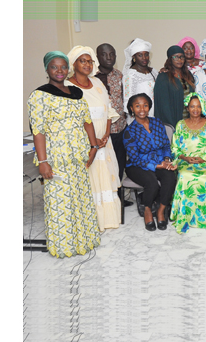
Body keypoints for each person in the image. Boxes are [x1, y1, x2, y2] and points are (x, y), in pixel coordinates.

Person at [28, 51, 101, 258]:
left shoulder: (76, 93)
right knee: (61, 202)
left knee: (80, 199)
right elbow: (38, 131)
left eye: (63, 67)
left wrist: (93, 146)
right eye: (54, 67)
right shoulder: (39, 95)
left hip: (78, 157)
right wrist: (43, 161)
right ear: (46, 69)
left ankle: (85, 241)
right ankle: (65, 245)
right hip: (56, 158)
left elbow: (87, 122)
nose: (59, 71)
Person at [65, 45, 122, 231]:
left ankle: (108, 220)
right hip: (84, 144)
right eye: (82, 60)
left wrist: (106, 135)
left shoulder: (98, 84)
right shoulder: (67, 87)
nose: (87, 64)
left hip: (104, 142)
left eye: (89, 61)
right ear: (73, 64)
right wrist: (92, 142)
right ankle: (91, 222)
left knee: (105, 179)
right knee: (90, 181)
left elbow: (108, 111)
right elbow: (72, 119)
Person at [122, 93, 177, 231]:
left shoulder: (157, 123)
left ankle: (160, 210)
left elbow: (166, 145)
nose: (142, 109)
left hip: (160, 160)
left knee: (170, 177)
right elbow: (135, 158)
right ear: (131, 109)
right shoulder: (129, 131)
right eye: (137, 106)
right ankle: (147, 209)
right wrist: (158, 165)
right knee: (151, 182)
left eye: (145, 105)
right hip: (137, 166)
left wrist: (166, 160)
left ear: (149, 107)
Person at [170, 93, 206, 234]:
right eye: (192, 106)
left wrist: (203, 158)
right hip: (185, 162)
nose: (195, 109)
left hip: (205, 161)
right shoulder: (180, 125)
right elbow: (174, 148)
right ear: (188, 108)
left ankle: (205, 217)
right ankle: (185, 217)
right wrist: (185, 158)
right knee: (185, 176)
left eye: (198, 106)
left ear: (202, 107)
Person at [95, 43, 129, 187]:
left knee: (120, 163)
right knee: (103, 166)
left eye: (112, 54)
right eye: (104, 54)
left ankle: (118, 197)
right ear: (97, 57)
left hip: (120, 128)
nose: (109, 57)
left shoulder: (119, 75)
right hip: (100, 132)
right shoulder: (92, 77)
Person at [153, 45, 196, 128]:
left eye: (182, 57)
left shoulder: (188, 75)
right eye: (176, 57)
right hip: (172, 123)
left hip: (189, 122)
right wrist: (173, 126)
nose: (179, 60)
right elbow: (163, 106)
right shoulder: (163, 77)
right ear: (170, 59)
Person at [123, 38, 159, 123]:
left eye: (146, 54)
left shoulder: (154, 72)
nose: (144, 58)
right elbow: (128, 101)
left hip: (154, 115)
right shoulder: (130, 75)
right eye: (140, 55)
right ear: (134, 57)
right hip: (139, 119)